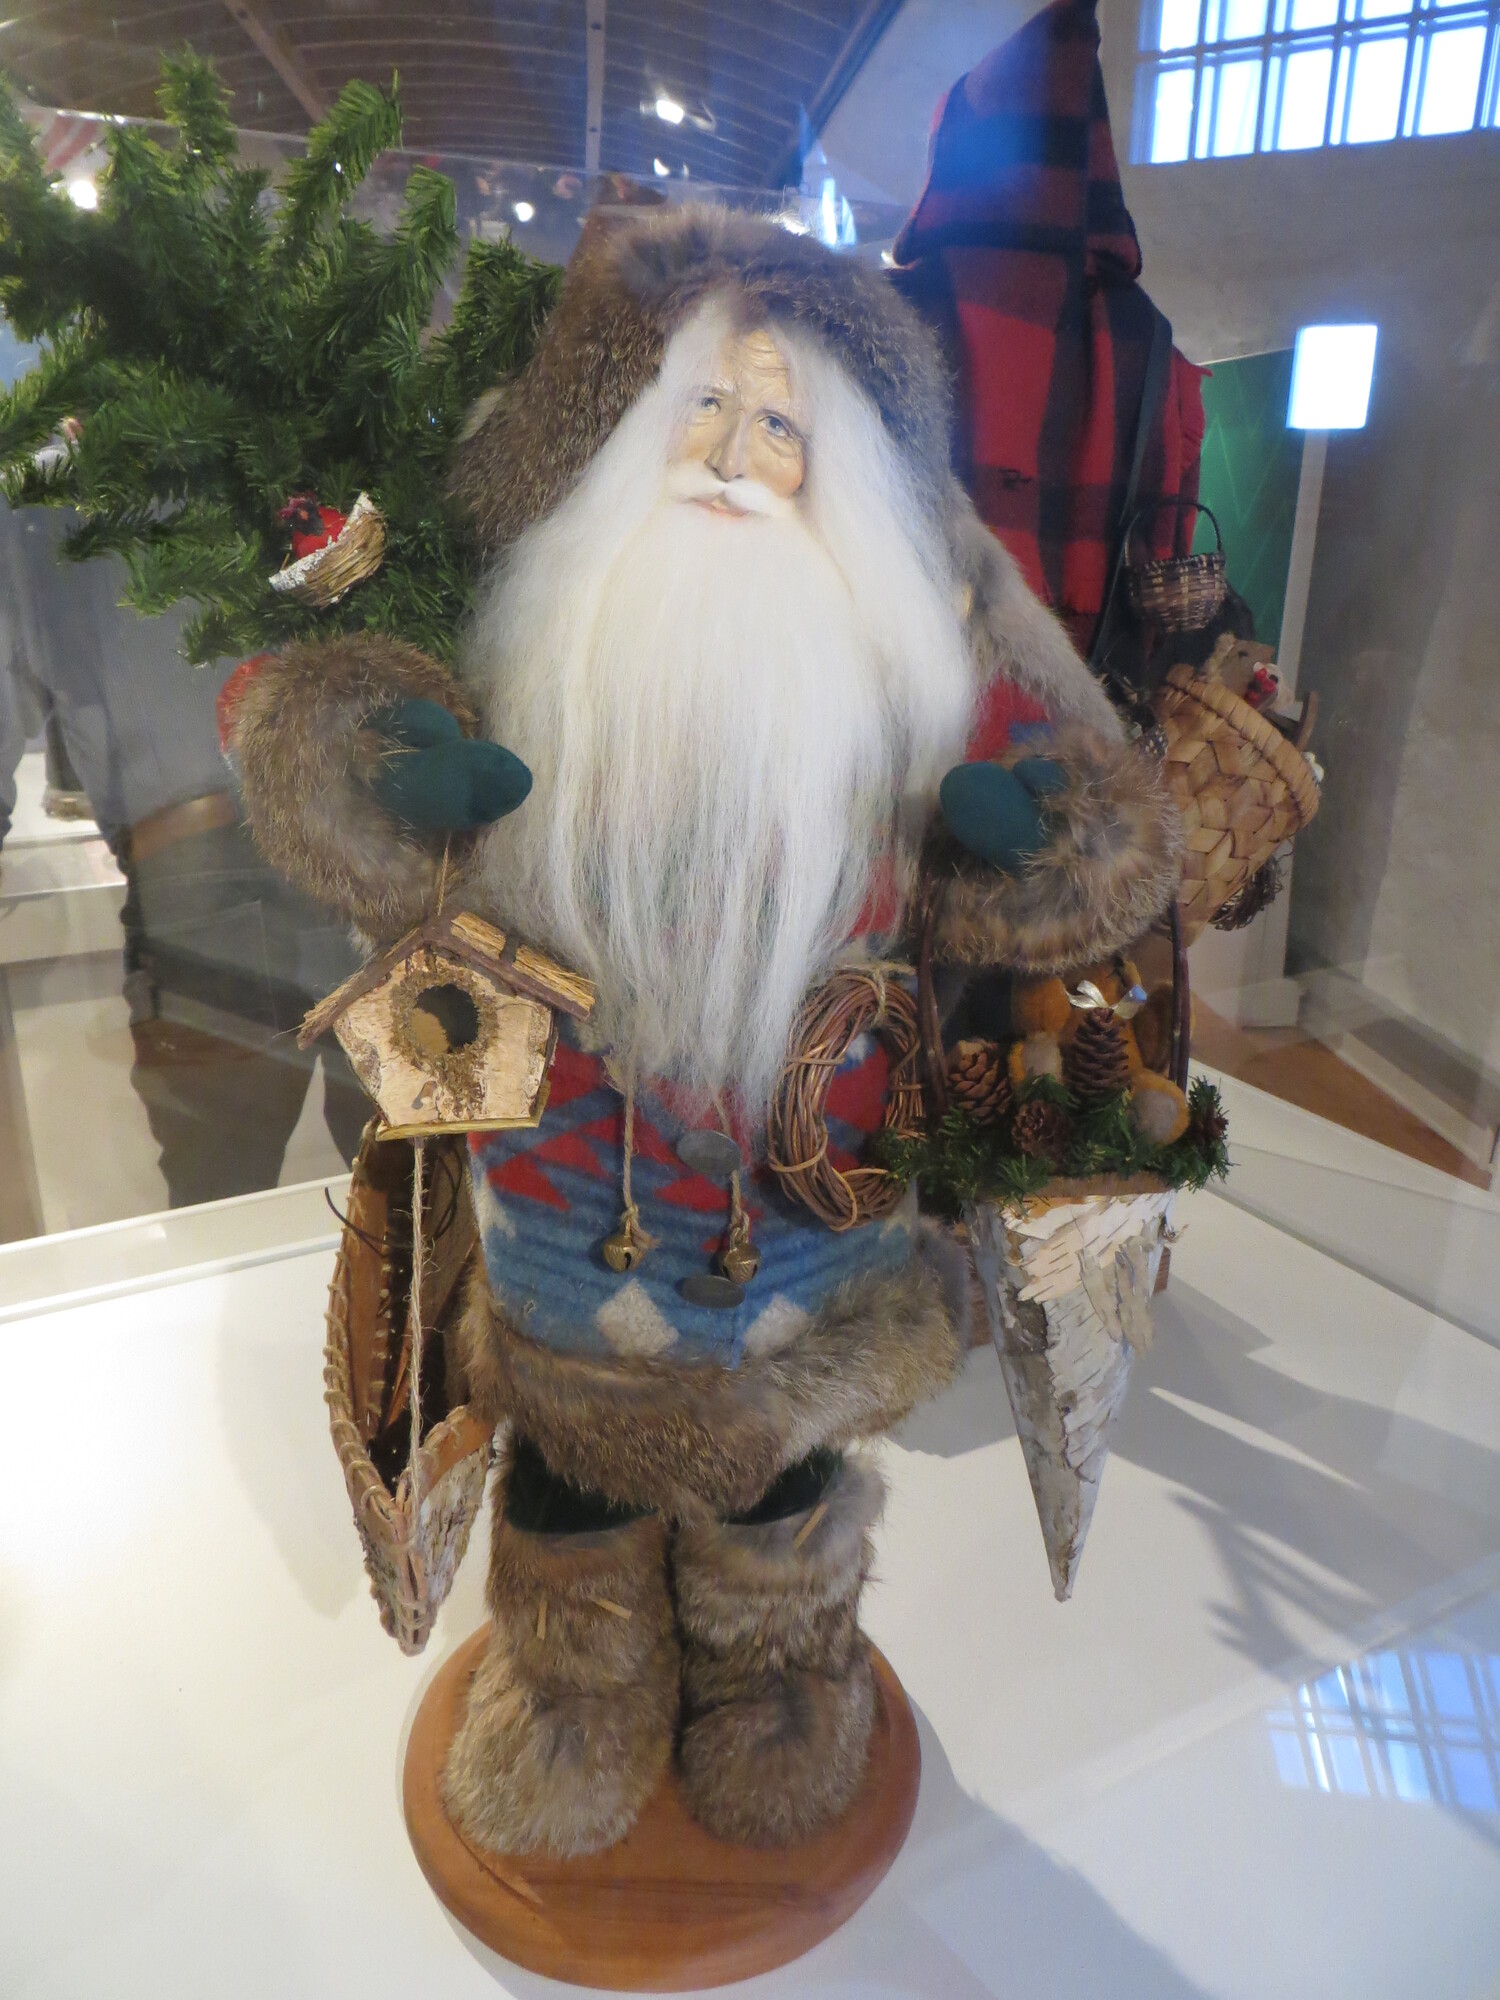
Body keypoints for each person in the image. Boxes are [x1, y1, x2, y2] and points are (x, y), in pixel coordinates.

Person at [234, 206, 1181, 1854]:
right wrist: (384, 772)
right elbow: (365, 794)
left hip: (801, 1230)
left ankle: (785, 1678)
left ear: (843, 480)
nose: (738, 458)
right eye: (709, 409)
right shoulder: (544, 662)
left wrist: (1023, 836)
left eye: (784, 429)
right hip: (566, 1223)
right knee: (568, 1481)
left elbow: (1068, 844)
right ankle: (573, 1691)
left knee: (782, 1479)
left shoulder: (892, 703)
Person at [0, 501, 368, 1205]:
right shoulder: (52, 495)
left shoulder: (57, 492)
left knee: (224, 1199)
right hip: (359, 842)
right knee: (415, 1196)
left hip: (206, 861)